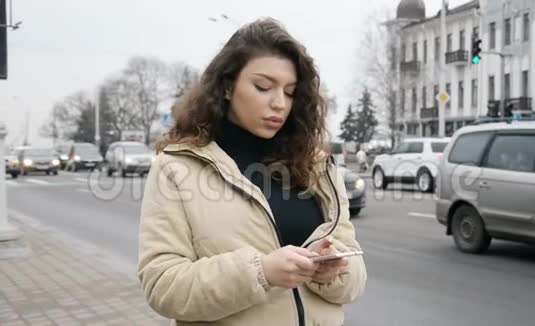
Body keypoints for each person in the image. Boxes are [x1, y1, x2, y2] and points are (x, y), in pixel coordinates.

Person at [138, 18, 367, 326]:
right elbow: (163, 286)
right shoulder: (177, 167)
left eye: (289, 92)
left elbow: (355, 277)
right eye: (263, 87)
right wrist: (262, 272)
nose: (279, 104)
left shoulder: (315, 165)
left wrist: (332, 272)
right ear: (228, 86)